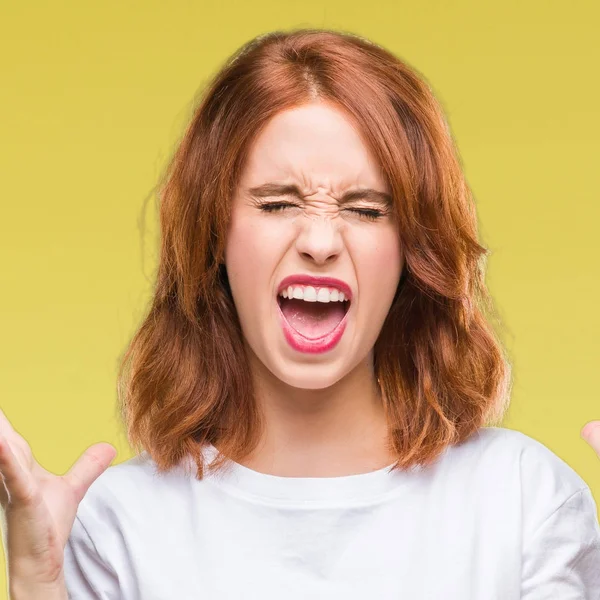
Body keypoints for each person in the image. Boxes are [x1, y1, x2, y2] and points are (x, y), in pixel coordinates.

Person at [2, 27, 600, 600]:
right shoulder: (119, 525)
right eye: (278, 203)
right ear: (215, 233)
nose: (320, 240)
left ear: (412, 251)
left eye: (366, 210)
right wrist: (36, 586)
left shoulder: (521, 500)